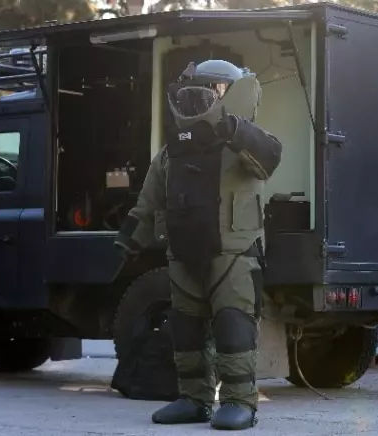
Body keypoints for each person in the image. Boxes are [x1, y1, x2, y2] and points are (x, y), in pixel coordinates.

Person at [114, 59, 282, 431]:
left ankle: (239, 402)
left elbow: (270, 157)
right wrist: (127, 241)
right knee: (186, 330)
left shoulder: (244, 142)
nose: (206, 98)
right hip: (183, 255)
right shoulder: (172, 151)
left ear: (233, 94)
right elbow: (148, 204)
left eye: (216, 90)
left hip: (233, 256)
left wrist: (234, 129)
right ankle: (193, 398)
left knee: (234, 327)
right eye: (202, 90)